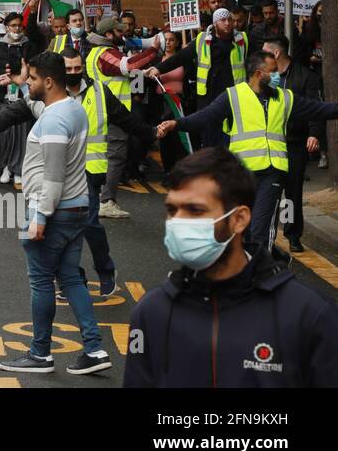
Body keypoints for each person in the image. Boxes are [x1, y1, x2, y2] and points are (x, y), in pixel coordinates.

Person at [123, 147, 338, 387]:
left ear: (239, 219)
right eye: (172, 210)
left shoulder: (309, 315)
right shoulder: (152, 312)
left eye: (195, 210)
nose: (178, 222)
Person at [0, 47, 154, 298]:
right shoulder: (46, 97)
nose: (73, 72)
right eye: (68, 69)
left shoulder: (99, 92)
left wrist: (153, 133)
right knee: (59, 228)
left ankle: (105, 271)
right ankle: (73, 278)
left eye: (77, 68)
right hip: (58, 172)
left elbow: (127, 120)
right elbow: (11, 115)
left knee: (89, 224)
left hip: (89, 172)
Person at [0, 52, 111, 375]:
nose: (27, 82)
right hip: (76, 207)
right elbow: (37, 105)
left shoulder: (55, 121)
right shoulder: (71, 108)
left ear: (48, 82)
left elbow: (53, 176)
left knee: (41, 281)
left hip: (52, 210)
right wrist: (21, 87)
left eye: (31, 78)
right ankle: (94, 349)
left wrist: (39, 217)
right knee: (71, 278)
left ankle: (41, 353)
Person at [158, 49, 338, 252]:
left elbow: (321, 109)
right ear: (259, 74)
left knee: (261, 229)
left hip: (273, 173)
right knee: (241, 229)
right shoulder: (233, 96)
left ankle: (258, 271)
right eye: (274, 72)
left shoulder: (285, 98)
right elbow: (205, 117)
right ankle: (252, 266)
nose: (278, 76)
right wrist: (177, 124)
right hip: (242, 175)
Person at [84, 16, 158, 218]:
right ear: (108, 35)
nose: (123, 34)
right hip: (113, 113)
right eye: (118, 31)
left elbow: (128, 73)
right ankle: (106, 201)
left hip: (102, 110)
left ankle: (97, 197)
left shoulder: (99, 52)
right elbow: (130, 67)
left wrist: (140, 82)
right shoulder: (105, 54)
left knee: (102, 155)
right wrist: (153, 50)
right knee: (115, 156)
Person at [150, 7, 246, 145]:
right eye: (223, 20)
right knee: (209, 135)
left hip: (234, 95)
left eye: (229, 19)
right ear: (214, 24)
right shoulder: (202, 39)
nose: (227, 23)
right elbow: (181, 57)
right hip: (208, 97)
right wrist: (158, 69)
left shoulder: (243, 39)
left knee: (233, 136)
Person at [262, 37, 322, 253]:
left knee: (293, 192)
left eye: (265, 52)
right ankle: (266, 233)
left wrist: (314, 134)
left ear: (276, 54)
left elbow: (315, 107)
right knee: (269, 190)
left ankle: (292, 235)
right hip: (270, 143)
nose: (262, 57)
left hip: (295, 143)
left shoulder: (306, 76)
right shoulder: (264, 77)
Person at [0, 11, 38, 184]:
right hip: (4, 98)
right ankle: (6, 166)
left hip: (24, 97)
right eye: (13, 25)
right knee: (5, 133)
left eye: (19, 25)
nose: (17, 29)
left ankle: (19, 168)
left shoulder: (30, 46)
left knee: (23, 133)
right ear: (7, 27)